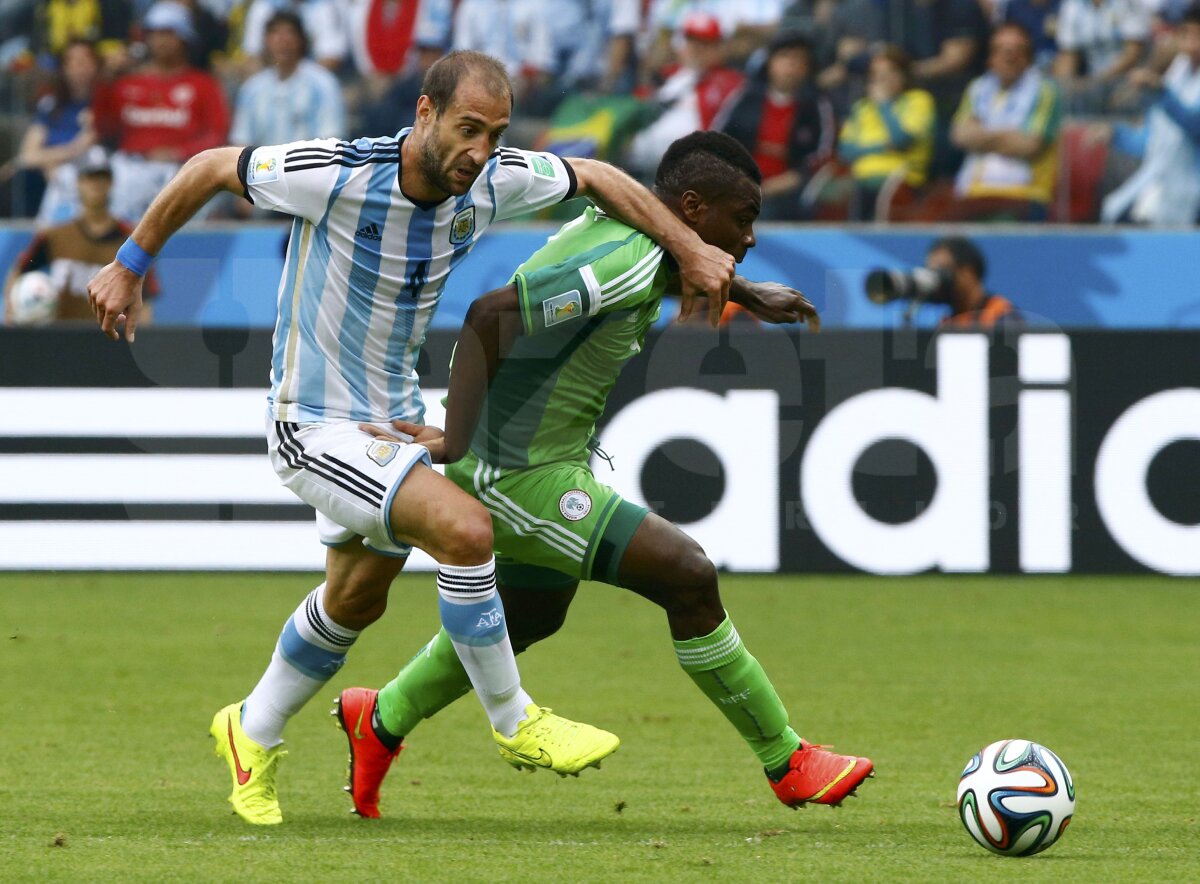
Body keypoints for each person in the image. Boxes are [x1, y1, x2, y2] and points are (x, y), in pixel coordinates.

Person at [86, 50, 736, 826]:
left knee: (355, 599)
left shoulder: (489, 179)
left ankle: (249, 728)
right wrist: (128, 264)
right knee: (466, 528)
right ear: (424, 114)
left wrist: (692, 249)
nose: (481, 152)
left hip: (390, 417)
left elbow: (597, 176)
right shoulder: (333, 173)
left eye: (494, 135)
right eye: (467, 130)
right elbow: (206, 165)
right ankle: (514, 720)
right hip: (313, 422)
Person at [332, 131, 875, 821]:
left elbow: (668, 260)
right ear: (691, 206)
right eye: (742, 219)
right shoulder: (626, 256)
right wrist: (458, 442)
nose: (751, 235)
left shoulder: (638, 236)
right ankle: (788, 760)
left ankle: (379, 720)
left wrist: (746, 290)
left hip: (547, 460)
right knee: (687, 573)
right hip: (515, 474)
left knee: (533, 612)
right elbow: (490, 315)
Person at [91, 1, 231, 222]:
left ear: (184, 38)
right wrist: (106, 84)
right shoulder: (127, 83)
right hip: (128, 170)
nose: (161, 40)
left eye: (169, 32)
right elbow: (104, 130)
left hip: (180, 169)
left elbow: (218, 135)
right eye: (155, 33)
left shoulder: (204, 85)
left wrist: (178, 152)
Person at [4, 147, 158, 325]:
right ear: (78, 182)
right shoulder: (55, 235)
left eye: (102, 177)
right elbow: (19, 270)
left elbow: (145, 296)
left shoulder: (130, 239)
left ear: (111, 183)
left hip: (109, 344)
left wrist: (141, 338)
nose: (96, 184)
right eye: (90, 177)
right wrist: (11, 312)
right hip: (59, 339)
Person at [949, 22, 1062, 221]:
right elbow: (959, 136)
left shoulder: (1045, 91)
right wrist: (1008, 135)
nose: (1009, 57)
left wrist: (981, 134)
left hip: (1022, 194)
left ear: (1029, 58)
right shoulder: (976, 88)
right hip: (972, 191)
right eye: (1002, 50)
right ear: (990, 57)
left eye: (1018, 50)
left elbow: (1029, 145)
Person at [1101, 6, 1200, 225]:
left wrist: (1160, 90)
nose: (1193, 44)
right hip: (1164, 188)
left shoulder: (1164, 87)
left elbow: (1195, 125)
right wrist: (1117, 135)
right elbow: (1153, 141)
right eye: (1187, 34)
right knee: (1116, 214)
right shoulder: (1177, 71)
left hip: (1195, 197)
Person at [721, 32, 836, 220]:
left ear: (808, 67)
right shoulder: (745, 98)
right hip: (739, 184)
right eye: (784, 57)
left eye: (799, 59)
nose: (791, 64)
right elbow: (718, 140)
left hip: (791, 194)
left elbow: (822, 157)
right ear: (770, 63)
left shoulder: (816, 105)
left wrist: (777, 185)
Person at [8, 39, 102, 225]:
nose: (78, 68)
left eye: (84, 61)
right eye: (71, 62)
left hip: (87, 172)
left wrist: (52, 161)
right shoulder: (51, 105)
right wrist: (49, 162)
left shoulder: (103, 104)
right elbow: (27, 154)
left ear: (96, 65)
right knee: (22, 177)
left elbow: (83, 148)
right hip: (51, 173)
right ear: (63, 68)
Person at [838, 45, 936, 220]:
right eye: (877, 74)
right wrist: (883, 147)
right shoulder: (862, 107)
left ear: (904, 74)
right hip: (860, 178)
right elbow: (845, 151)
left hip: (901, 179)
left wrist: (884, 105)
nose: (884, 79)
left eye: (891, 72)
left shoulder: (919, 100)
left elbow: (900, 140)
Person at [230, 11, 345, 147]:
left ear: (301, 40)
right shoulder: (252, 89)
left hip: (310, 165)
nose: (283, 41)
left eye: (290, 33)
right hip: (263, 165)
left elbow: (332, 140)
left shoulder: (323, 84)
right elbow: (241, 142)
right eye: (275, 33)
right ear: (266, 41)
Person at [1054, 0, 1151, 113]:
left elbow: (1132, 53)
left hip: (1127, 78)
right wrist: (1065, 87)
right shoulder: (1073, 5)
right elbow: (1068, 54)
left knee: (1127, 97)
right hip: (1092, 81)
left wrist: (1097, 82)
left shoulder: (1127, 3)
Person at [927, 235, 1019, 327]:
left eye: (943, 272)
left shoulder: (1002, 315)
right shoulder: (945, 322)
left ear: (968, 272)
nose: (938, 281)